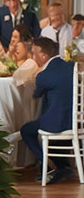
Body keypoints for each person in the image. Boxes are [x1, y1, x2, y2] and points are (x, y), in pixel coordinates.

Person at [20, 37, 75, 184]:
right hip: (75, 122)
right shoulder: (72, 66)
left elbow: (36, 95)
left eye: (34, 53)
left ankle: (48, 165)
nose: (33, 57)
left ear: (43, 55)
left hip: (58, 123)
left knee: (26, 130)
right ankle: (64, 167)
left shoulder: (44, 75)